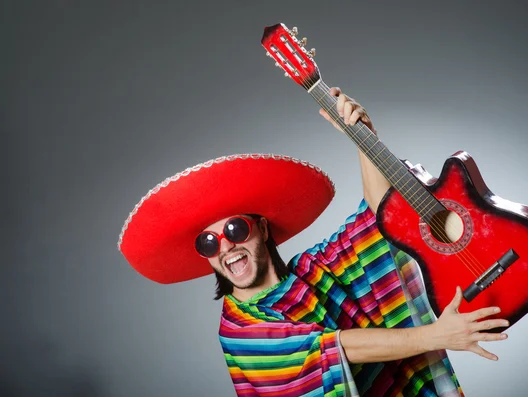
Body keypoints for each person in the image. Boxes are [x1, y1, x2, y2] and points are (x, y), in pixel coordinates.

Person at [118, 88, 508, 396]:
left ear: (262, 229)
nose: (226, 247)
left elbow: (381, 218)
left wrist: (364, 141)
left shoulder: (314, 272)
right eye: (209, 242)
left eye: (235, 230)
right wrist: (437, 336)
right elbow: (334, 348)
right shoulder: (240, 331)